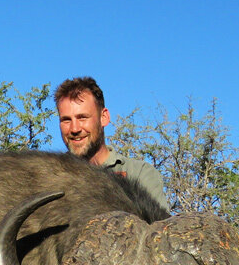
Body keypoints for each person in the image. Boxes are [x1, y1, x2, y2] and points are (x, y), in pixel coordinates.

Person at [54, 76, 168, 212]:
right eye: (66, 120)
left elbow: (158, 230)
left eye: (82, 117)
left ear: (104, 118)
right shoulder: (51, 177)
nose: (74, 129)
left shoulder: (140, 174)